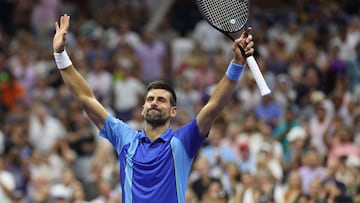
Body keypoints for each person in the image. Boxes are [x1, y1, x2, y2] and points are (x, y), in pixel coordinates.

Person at [52, 14, 255, 203]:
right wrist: (60, 55)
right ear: (142, 109)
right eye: (150, 99)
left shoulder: (182, 142)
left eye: (161, 100)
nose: (154, 102)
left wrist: (237, 63)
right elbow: (86, 99)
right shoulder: (126, 139)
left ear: (173, 111)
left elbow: (213, 105)